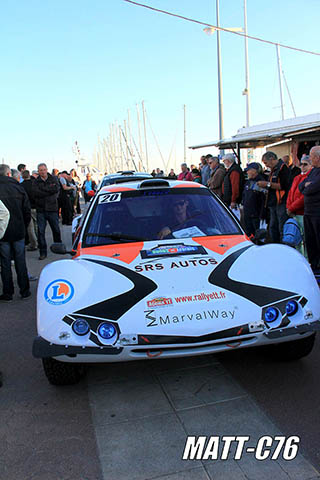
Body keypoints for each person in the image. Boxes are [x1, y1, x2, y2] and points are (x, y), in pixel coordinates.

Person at [0, 164, 31, 300]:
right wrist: (24, 226)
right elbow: (27, 211)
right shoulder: (19, 188)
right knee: (20, 261)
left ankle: (8, 292)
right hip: (18, 230)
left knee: (5, 263)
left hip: (3, 232)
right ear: (9, 174)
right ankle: (24, 290)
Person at [257, 151, 291, 243]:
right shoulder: (274, 170)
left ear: (271, 159)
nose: (266, 165)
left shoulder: (283, 168)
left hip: (281, 201)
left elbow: (283, 185)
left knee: (281, 226)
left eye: (266, 163)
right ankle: (275, 244)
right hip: (273, 202)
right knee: (272, 226)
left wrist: (267, 184)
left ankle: (283, 245)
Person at [32, 163, 62, 260]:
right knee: (41, 232)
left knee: (56, 229)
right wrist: (49, 191)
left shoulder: (53, 179)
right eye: (40, 170)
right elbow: (36, 193)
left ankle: (58, 247)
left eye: (44, 169)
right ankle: (43, 252)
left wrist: (45, 191)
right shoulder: (36, 182)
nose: (42, 172)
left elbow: (56, 189)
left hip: (52, 208)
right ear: (38, 171)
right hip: (41, 210)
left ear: (47, 169)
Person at [299, 146, 320, 271]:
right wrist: (306, 185)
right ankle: (314, 264)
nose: (310, 159)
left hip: (317, 212)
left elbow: (311, 188)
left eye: (311, 156)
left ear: (317, 157)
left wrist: (307, 186)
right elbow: (302, 186)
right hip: (308, 212)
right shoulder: (313, 171)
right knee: (310, 241)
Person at [286, 155, 312, 257]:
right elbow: (290, 193)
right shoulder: (297, 177)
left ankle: (306, 259)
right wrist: (289, 207)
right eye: (301, 164)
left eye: (305, 164)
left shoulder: (310, 178)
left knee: (305, 239)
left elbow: (303, 197)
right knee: (295, 238)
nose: (302, 167)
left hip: (302, 213)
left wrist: (291, 208)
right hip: (294, 213)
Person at [242, 163, 267, 237]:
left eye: (248, 170)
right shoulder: (248, 182)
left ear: (254, 171)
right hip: (248, 212)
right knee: (249, 233)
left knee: (258, 235)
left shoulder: (261, 182)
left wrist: (262, 214)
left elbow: (263, 198)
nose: (247, 172)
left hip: (256, 213)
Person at [21, 170, 38, 251]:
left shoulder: (21, 186)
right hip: (37, 206)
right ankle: (39, 241)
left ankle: (34, 244)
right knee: (37, 225)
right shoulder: (34, 183)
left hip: (28, 208)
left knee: (30, 228)